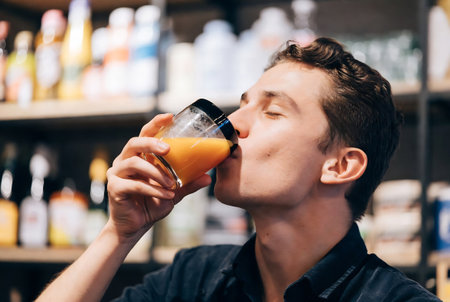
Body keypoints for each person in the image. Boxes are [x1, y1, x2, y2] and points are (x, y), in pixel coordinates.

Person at [36, 37, 441, 302]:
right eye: (243, 104)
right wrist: (118, 234)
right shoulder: (194, 278)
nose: (233, 123)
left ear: (340, 165)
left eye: (273, 111)